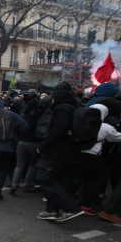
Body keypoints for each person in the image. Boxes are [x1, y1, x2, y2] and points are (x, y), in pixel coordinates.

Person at [34, 88, 84, 222]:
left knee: (43, 177)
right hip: (68, 151)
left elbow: (58, 128)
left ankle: (71, 208)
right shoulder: (73, 108)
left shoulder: (61, 109)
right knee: (56, 180)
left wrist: (43, 145)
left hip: (56, 150)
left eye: (54, 97)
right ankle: (51, 210)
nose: (52, 100)